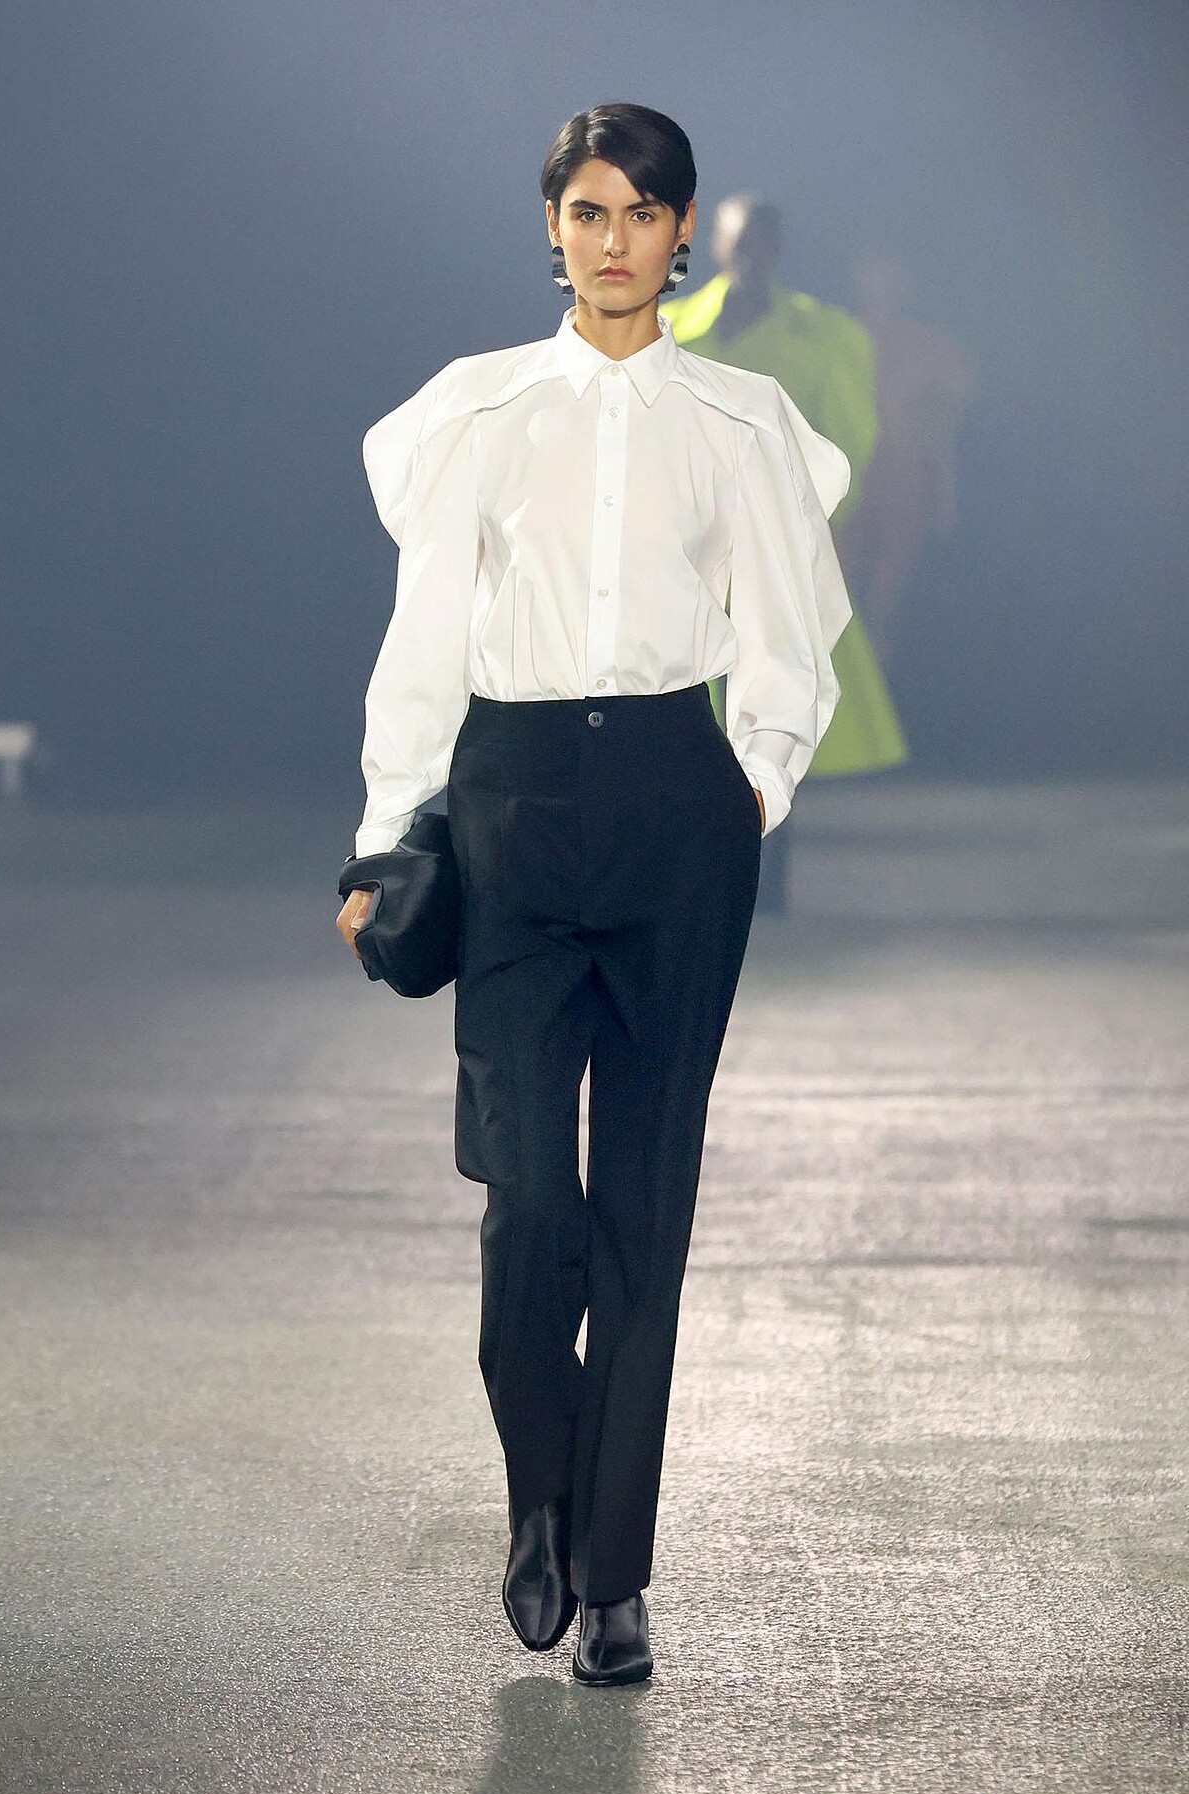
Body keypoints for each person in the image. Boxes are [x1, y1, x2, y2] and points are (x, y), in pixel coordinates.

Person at [334, 103, 853, 1686]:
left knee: (643, 1204)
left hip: (677, 817)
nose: (612, 240)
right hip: (510, 810)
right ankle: (540, 1492)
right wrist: (385, 836)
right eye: (586, 211)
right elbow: (427, 636)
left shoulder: (745, 421)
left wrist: (753, 785)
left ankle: (612, 1574)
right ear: (551, 228)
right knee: (530, 1207)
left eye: (640, 213)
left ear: (682, 232)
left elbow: (794, 632)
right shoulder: (478, 411)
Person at [660, 195, 908, 914]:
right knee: (689, 721)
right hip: (687, 555)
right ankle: (700, 881)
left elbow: (851, 437)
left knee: (770, 712)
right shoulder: (670, 328)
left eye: (762, 243)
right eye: (739, 242)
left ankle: (766, 882)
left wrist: (810, 524)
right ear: (715, 245)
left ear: (778, 249)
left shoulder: (825, 336)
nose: (750, 255)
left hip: (775, 548)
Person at [838, 250, 978, 669]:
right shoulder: (837, 336)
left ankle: (882, 684)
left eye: (891, 274)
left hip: (902, 480)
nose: (881, 283)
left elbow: (944, 425)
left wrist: (946, 492)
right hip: (848, 481)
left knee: (886, 598)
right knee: (839, 596)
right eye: (873, 272)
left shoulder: (929, 348)